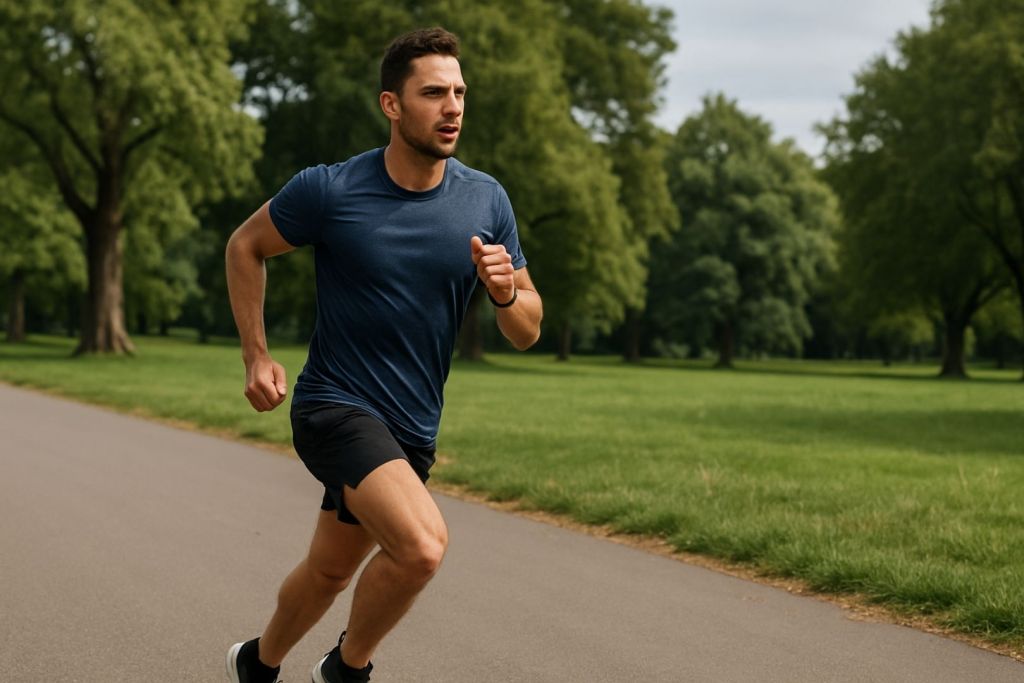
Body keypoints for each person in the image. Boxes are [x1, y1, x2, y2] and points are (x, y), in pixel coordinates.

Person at [223, 26, 543, 683]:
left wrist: (506, 291)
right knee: (423, 546)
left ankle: (257, 663)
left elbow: (528, 329)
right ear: (392, 105)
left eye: (459, 92)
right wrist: (257, 356)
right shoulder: (332, 190)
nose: (452, 106)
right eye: (433, 93)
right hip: (334, 407)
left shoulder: (486, 200)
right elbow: (244, 246)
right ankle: (346, 670)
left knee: (330, 570)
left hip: (411, 430)